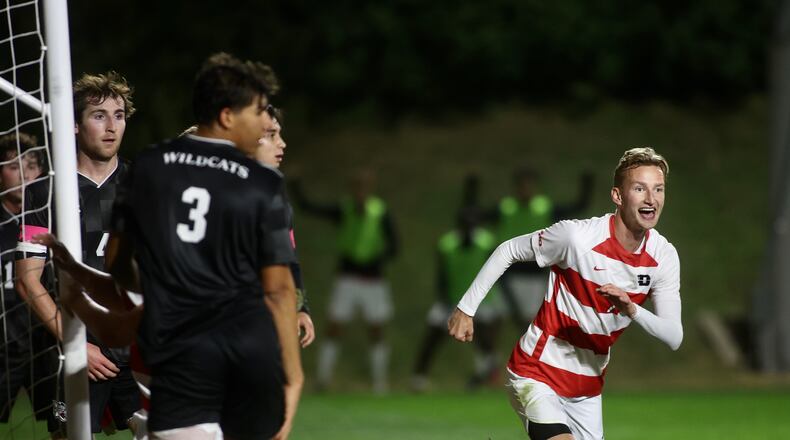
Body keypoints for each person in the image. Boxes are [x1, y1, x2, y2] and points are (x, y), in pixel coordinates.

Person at [105, 53, 303, 440]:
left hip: (181, 353)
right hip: (251, 352)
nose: (266, 122)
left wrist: (165, 290)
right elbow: (279, 291)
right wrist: (293, 376)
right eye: (259, 112)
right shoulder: (262, 182)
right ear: (228, 116)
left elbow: (116, 261)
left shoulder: (148, 165)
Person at [448, 147, 683, 440]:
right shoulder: (576, 238)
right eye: (640, 188)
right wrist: (465, 309)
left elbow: (673, 336)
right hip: (537, 371)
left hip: (587, 389)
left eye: (658, 189)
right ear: (618, 196)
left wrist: (631, 309)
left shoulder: (664, 256)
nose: (651, 198)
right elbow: (508, 250)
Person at [15, 72, 141, 436]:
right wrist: (74, 345)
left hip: (137, 343)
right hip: (77, 345)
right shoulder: (43, 193)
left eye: (118, 115)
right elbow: (27, 280)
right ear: (74, 125)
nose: (111, 127)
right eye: (99, 115)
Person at [291, 169, 398, 393]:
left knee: (376, 329)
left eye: (365, 186)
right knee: (334, 327)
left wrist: (377, 258)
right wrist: (296, 186)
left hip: (373, 279)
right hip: (347, 278)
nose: (361, 191)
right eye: (357, 186)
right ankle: (323, 379)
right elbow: (310, 208)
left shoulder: (380, 211)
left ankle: (380, 383)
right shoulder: (344, 209)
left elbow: (394, 245)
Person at [412, 175, 504, 391]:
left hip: (482, 301)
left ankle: (485, 377)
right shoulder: (447, 244)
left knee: (485, 341)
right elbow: (442, 275)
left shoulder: (486, 242)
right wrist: (446, 301)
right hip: (451, 300)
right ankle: (418, 379)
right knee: (432, 337)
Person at [487, 168, 594, 329]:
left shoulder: (544, 208)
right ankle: (489, 355)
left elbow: (578, 207)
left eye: (528, 185)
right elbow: (477, 214)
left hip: (534, 275)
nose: (525, 190)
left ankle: (530, 353)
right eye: (522, 186)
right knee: (495, 319)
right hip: (508, 273)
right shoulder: (506, 208)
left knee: (530, 323)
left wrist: (587, 185)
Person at [0, 133, 54, 431]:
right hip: (3, 346)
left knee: (64, 425)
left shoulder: (55, 220)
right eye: (13, 165)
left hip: (44, 344)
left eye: (31, 165)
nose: (24, 174)